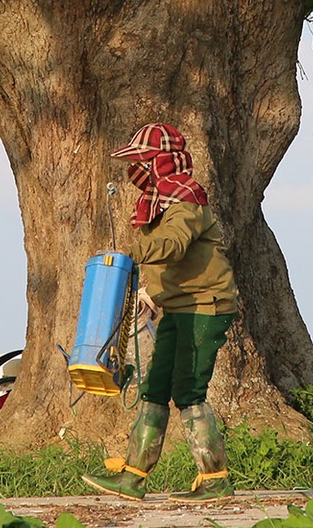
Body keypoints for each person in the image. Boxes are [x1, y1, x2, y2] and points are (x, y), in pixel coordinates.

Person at [81, 122, 239, 501]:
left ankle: (215, 479)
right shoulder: (155, 203)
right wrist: (150, 291)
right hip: (176, 307)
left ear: (161, 162)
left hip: (204, 307)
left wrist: (135, 255)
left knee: (188, 391)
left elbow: (174, 245)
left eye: (142, 162)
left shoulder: (187, 201)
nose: (136, 171)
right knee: (154, 389)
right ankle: (133, 478)